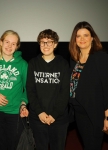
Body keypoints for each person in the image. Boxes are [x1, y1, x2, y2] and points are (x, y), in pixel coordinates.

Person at [0, 30, 29, 150]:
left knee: (14, 146)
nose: (9, 46)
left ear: (17, 46)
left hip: (15, 114)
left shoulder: (23, 64)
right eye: (7, 42)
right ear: (1, 42)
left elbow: (28, 89)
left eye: (13, 44)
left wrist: (23, 104)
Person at [26, 29, 70, 150]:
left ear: (55, 44)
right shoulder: (33, 63)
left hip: (59, 119)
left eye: (49, 42)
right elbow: (30, 90)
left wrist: (54, 114)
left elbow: (65, 91)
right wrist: (40, 112)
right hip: (37, 117)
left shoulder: (63, 64)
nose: (45, 45)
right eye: (42, 42)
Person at [69, 21, 108, 150]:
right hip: (79, 113)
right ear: (75, 40)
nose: (82, 39)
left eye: (86, 35)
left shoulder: (100, 57)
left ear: (92, 38)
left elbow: (106, 87)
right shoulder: (74, 59)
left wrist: (107, 116)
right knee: (87, 145)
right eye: (78, 36)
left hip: (95, 113)